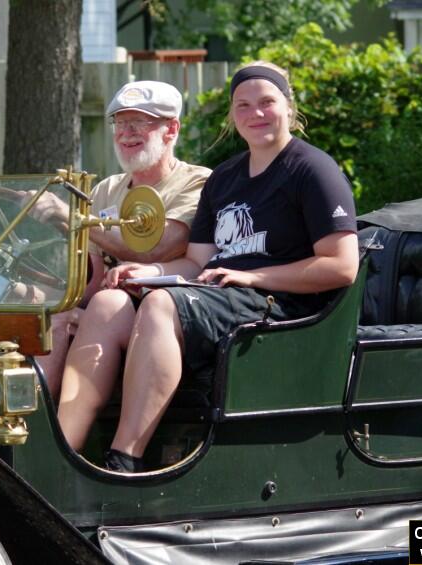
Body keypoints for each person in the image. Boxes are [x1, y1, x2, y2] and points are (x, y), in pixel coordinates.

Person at [56, 61, 359, 473]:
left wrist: (253, 276)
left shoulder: (312, 169)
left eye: (267, 102)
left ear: (288, 107)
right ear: (233, 116)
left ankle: (124, 459)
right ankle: (62, 455)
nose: (256, 114)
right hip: (221, 294)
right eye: (243, 105)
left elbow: (342, 266)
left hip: (283, 302)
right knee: (109, 304)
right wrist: (151, 272)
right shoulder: (226, 178)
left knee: (162, 305)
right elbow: (196, 262)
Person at [25, 81, 210, 401]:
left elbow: (158, 248)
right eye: (121, 123)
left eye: (140, 123)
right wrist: (37, 293)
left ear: (171, 129)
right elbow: (93, 278)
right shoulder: (107, 189)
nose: (126, 133)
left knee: (60, 318)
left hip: (164, 317)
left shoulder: (197, 182)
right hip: (106, 307)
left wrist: (71, 219)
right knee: (19, 305)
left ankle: (37, 431)